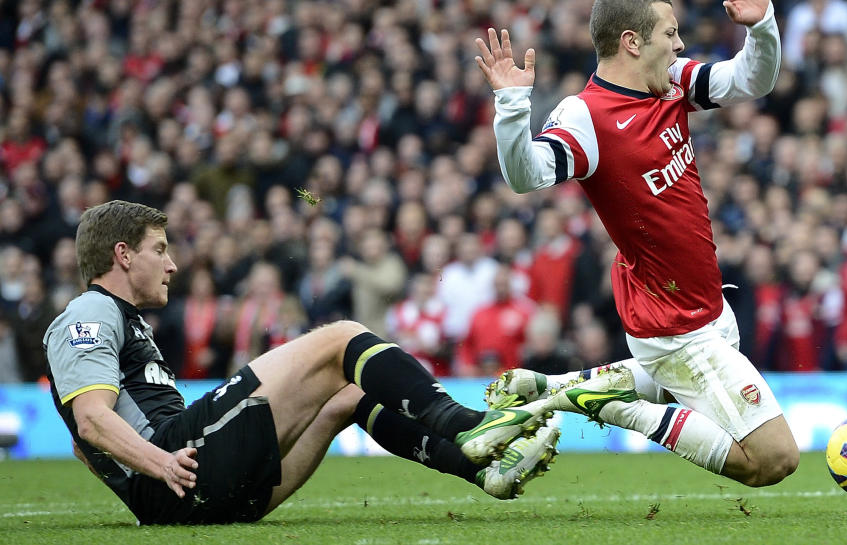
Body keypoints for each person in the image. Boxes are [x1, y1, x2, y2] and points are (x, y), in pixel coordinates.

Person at [475, 0, 799, 487]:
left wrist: (760, 26)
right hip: (674, 325)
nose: (679, 44)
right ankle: (605, 405)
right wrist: (512, 105)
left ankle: (551, 388)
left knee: (670, 390)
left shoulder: (671, 82)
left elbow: (750, 80)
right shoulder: (586, 116)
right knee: (772, 459)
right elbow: (525, 176)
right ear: (631, 41)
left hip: (706, 303)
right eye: (669, 34)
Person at [42, 200, 561, 525]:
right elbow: (91, 420)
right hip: (182, 469)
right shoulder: (89, 310)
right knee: (341, 338)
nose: (172, 264)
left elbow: (82, 444)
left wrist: (139, 486)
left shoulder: (123, 321)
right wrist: (159, 466)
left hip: (195, 488)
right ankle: (468, 425)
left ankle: (483, 469)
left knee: (347, 395)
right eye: (159, 249)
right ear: (123, 255)